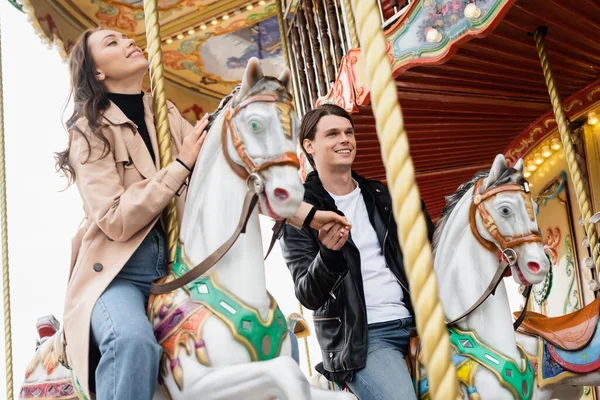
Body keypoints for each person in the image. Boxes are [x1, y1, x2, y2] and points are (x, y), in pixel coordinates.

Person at [58, 29, 346, 400]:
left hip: (179, 270)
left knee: (274, 330)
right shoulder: (89, 131)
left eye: (126, 38)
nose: (129, 42)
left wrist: (308, 216)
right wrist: (180, 165)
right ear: (96, 71)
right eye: (112, 43)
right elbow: (114, 218)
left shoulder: (165, 114)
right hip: (120, 276)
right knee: (132, 342)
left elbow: (235, 177)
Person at [279, 104, 435, 400]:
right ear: (309, 145)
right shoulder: (299, 213)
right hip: (363, 338)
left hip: (418, 322)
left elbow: (429, 250)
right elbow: (308, 295)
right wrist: (328, 255)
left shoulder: (382, 197)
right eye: (333, 134)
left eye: (349, 132)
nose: (345, 140)